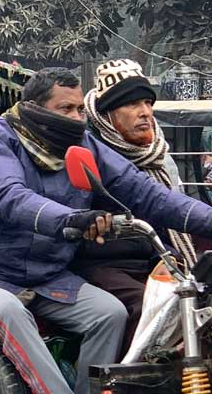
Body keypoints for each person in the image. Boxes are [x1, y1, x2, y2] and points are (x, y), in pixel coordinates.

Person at [0, 67, 212, 394]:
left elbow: (143, 192)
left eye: (80, 109)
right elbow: (10, 197)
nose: (78, 118)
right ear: (35, 108)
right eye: (67, 109)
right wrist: (72, 220)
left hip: (45, 276)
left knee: (109, 313)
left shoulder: (85, 146)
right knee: (9, 312)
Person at [78, 58, 199, 345]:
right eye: (132, 105)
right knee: (146, 308)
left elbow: (174, 204)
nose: (145, 112)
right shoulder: (92, 154)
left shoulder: (160, 157)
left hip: (157, 255)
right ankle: (128, 384)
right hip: (103, 263)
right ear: (108, 115)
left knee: (205, 296)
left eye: (147, 103)